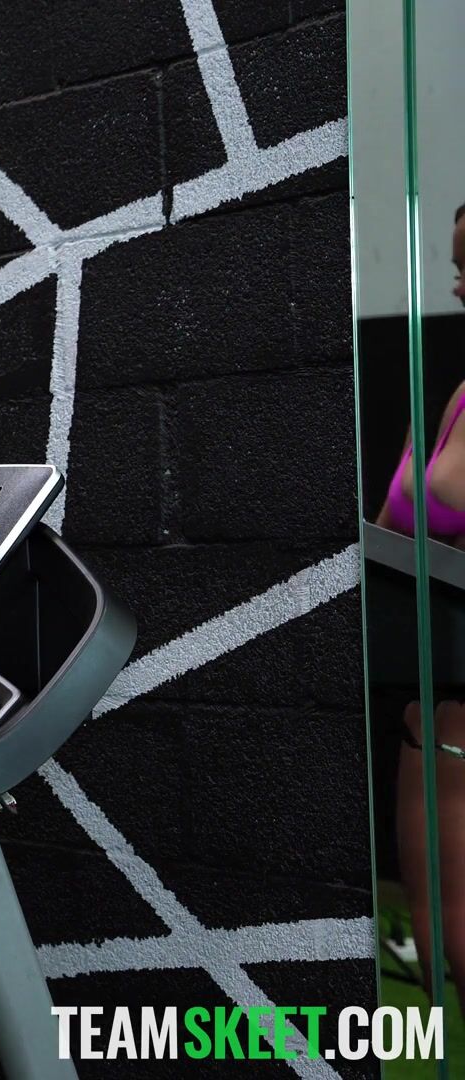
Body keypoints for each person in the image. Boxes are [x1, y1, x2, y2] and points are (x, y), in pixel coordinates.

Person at [377, 202, 465, 1003]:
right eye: (458, 266)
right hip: (431, 709)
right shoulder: (457, 395)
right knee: (435, 930)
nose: (458, 284)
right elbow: (390, 531)